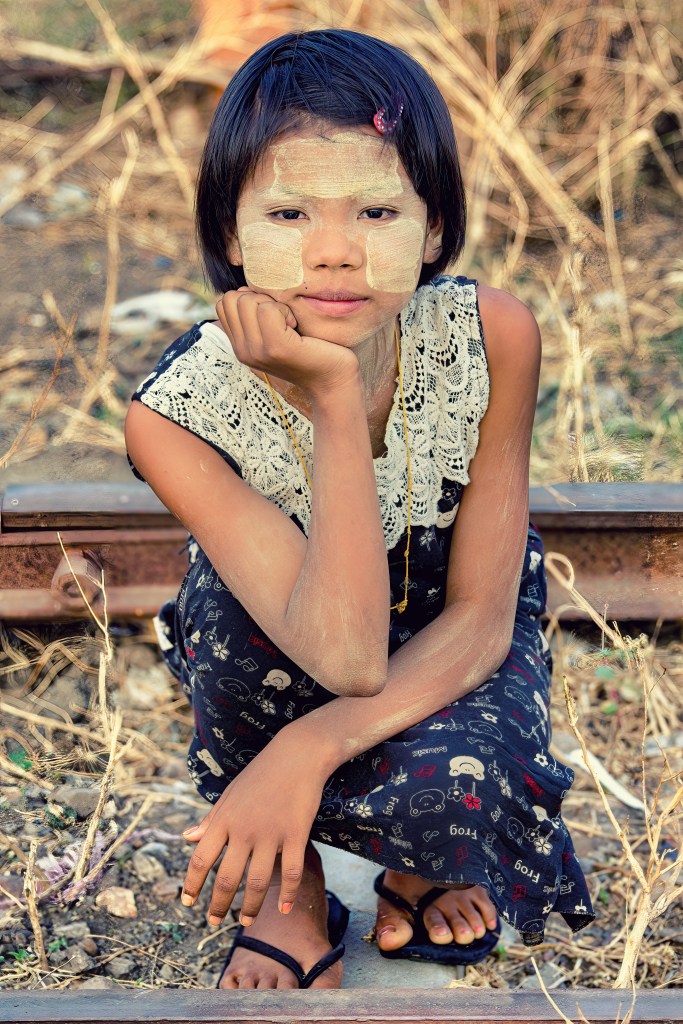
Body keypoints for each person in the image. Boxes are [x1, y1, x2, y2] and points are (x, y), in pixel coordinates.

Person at [124, 28, 595, 990]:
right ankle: (293, 881)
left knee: (463, 785)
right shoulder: (174, 414)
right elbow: (341, 657)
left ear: (432, 229)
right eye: (288, 213)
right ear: (230, 235)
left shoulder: (493, 336)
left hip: (442, 650)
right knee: (236, 631)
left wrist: (306, 754)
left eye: (377, 211)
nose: (334, 252)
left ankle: (414, 868)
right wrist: (335, 401)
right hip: (284, 648)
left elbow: (481, 620)